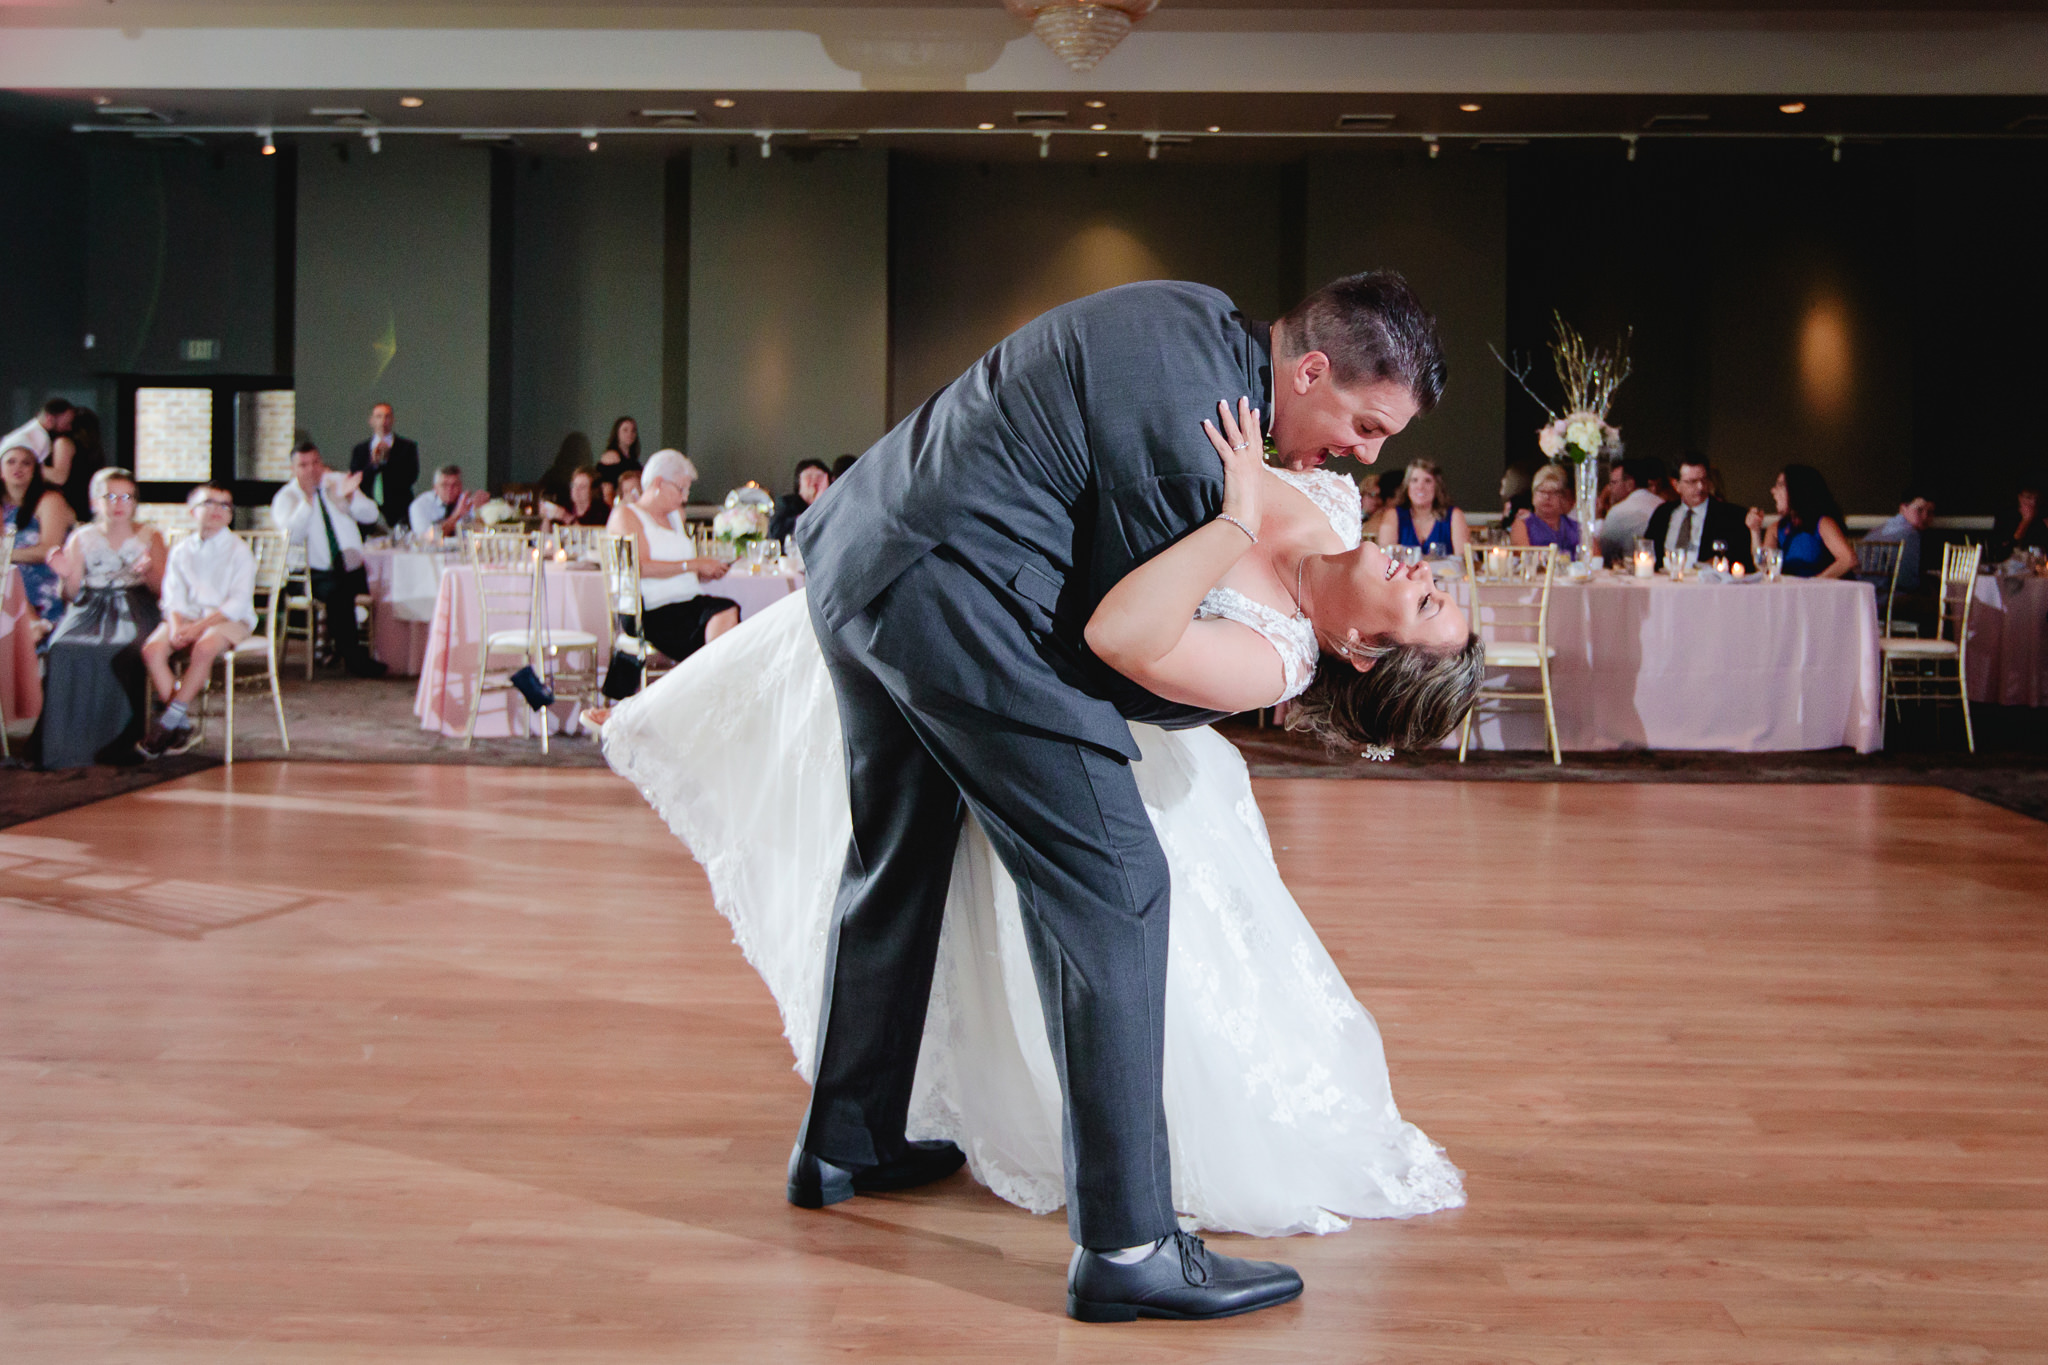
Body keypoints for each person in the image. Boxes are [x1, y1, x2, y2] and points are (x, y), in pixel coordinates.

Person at [610, 275, 1481, 1323]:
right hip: (948, 598)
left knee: (897, 858)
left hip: (860, 555)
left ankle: (848, 1140)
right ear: (1307, 372)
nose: (1365, 454)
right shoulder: (1196, 458)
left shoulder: (1191, 315)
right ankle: (1127, 1245)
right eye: (1363, 422)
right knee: (1117, 891)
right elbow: (1110, 642)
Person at [38, 468, 165, 767]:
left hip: (135, 603)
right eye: (110, 496)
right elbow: (70, 593)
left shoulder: (151, 535)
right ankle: (67, 744)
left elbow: (162, 590)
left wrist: (147, 571)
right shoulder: (81, 537)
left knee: (123, 647)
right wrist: (66, 575)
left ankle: (120, 741)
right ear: (95, 501)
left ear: (134, 502)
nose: (118, 503)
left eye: (126, 497)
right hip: (90, 605)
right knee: (62, 646)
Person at [139, 481, 257, 758]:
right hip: (188, 615)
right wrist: (178, 625)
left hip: (227, 617)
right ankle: (181, 725)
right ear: (192, 511)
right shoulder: (182, 550)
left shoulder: (238, 550)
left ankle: (167, 721)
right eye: (209, 503)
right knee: (152, 649)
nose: (218, 510)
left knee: (204, 647)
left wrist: (199, 628)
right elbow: (172, 595)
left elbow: (238, 603)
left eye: (225, 505)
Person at [608, 450, 739, 665]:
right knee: (723, 613)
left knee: (727, 612)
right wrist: (693, 564)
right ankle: (712, 682)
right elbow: (639, 568)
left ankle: (711, 680)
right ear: (659, 483)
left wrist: (704, 572)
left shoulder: (676, 516)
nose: (685, 497)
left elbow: (682, 568)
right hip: (651, 609)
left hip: (686, 602)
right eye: (681, 488)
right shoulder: (627, 515)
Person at [272, 439, 388, 677]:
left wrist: (349, 498)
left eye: (315, 462)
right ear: (293, 470)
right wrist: (308, 500)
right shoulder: (287, 497)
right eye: (303, 465)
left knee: (382, 587)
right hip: (308, 573)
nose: (312, 469)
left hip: (349, 567)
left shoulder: (336, 482)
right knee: (339, 592)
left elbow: (371, 515)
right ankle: (354, 659)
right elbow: (291, 537)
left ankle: (365, 651)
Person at [2, 442, 76, 642]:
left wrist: (6, 555)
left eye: (26, 463)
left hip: (43, 580)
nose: (18, 468)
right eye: (11, 462)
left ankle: (34, 624)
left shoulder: (50, 500)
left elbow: (48, 550)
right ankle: (30, 624)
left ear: (35, 471)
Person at [1644, 453, 1753, 572]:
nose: (1700, 487)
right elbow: (1648, 551)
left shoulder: (1731, 515)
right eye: (1692, 482)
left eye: (1704, 480)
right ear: (1676, 485)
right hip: (1663, 582)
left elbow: (1742, 560)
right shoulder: (1662, 514)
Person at [1748, 463, 1855, 579]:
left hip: (1822, 593)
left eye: (1780, 485)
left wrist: (1813, 584)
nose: (1773, 491)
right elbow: (1764, 569)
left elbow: (1848, 559)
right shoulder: (1776, 529)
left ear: (1796, 490)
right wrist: (1755, 531)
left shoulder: (1822, 524)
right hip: (1791, 593)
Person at [1377, 458, 1468, 558]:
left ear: (1437, 486)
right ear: (1407, 486)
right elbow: (1385, 558)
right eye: (1414, 480)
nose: (1420, 486)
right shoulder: (1393, 515)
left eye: (1427, 481)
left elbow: (1463, 561)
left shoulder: (1454, 515)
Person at [349, 402, 419, 531]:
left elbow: (410, 477)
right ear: (371, 421)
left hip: (399, 511)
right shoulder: (360, 450)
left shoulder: (407, 447)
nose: (383, 421)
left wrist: (388, 460)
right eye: (378, 417)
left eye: (387, 417)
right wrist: (374, 465)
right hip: (367, 512)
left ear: (393, 420)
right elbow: (356, 480)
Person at [1595, 457, 1667, 563]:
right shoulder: (1662, 503)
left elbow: (1603, 554)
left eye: (1613, 483)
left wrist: (1599, 515)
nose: (1610, 488)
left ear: (1629, 484)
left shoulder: (1618, 512)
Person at [1864, 486, 1936, 588]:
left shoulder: (1880, 529)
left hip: (1865, 589)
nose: (1925, 517)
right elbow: (1907, 579)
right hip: (1886, 593)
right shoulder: (1909, 534)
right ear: (1903, 509)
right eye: (1919, 510)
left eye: (1930, 512)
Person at [1509, 461, 1582, 556]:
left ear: (1562, 497)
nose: (1547, 497)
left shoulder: (1575, 527)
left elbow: (1594, 556)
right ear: (1533, 496)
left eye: (1553, 492)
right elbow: (1524, 556)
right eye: (1542, 491)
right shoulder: (1523, 523)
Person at [48, 406, 104, 520]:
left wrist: (33, 466)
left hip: (67, 504)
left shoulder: (64, 443)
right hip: (85, 505)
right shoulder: (95, 451)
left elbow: (59, 476)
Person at [408, 464, 489, 537]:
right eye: (445, 485)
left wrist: (480, 512)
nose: (450, 490)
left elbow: (480, 534)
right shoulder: (420, 505)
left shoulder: (467, 503)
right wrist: (457, 515)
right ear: (435, 488)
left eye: (455, 485)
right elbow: (427, 538)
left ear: (461, 486)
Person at [1, 397, 74, 473]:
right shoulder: (38, 437)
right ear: (49, 419)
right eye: (66, 423)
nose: (69, 428)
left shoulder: (28, 432)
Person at [768, 459, 831, 543]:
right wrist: (815, 510)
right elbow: (775, 532)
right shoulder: (786, 503)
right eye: (809, 477)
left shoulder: (832, 504)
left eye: (819, 477)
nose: (814, 481)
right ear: (799, 482)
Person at [541, 466, 610, 529]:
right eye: (574, 485)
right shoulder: (567, 507)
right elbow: (546, 537)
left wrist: (566, 517)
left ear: (593, 491)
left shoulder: (602, 511)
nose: (576, 490)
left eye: (582, 487)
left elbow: (588, 538)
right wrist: (547, 517)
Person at [1992, 482, 2045, 561]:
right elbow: (2002, 552)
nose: (2033, 503)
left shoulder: (2040, 520)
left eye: (2036, 499)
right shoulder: (2007, 517)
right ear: (2020, 498)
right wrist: (2025, 522)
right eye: (2029, 498)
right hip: (2010, 565)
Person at [594, 416, 643, 501]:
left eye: (633, 430)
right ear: (617, 433)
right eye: (625, 430)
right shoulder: (611, 457)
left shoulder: (633, 460)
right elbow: (606, 491)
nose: (630, 434)